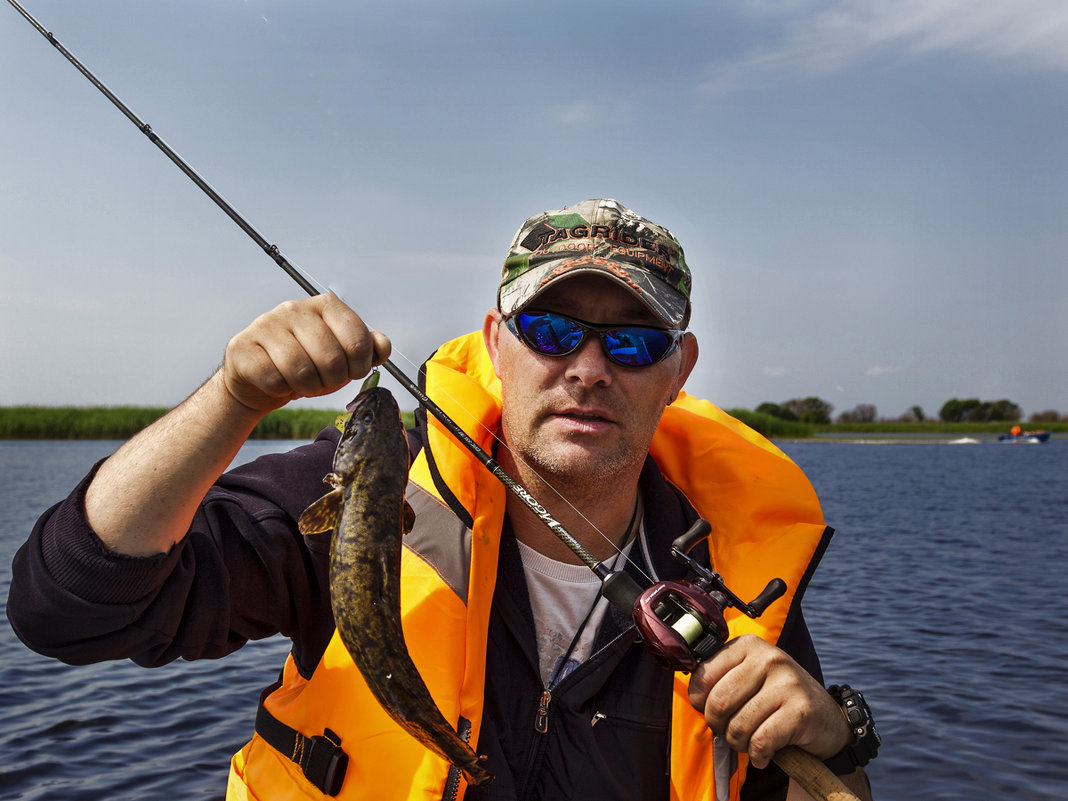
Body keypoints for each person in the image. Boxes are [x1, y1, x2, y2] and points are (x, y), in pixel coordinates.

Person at [7, 199, 877, 800]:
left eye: (634, 342)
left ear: (679, 372)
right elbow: (65, 610)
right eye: (551, 329)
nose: (586, 367)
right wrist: (233, 400)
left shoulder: (737, 580)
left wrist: (835, 740)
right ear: (496, 345)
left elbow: (804, 783)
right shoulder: (356, 494)